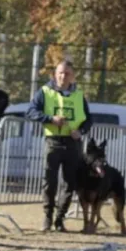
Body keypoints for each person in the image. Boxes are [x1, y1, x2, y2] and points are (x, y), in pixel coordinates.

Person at [26, 60, 93, 232]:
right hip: (53, 141)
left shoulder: (79, 95)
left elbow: (88, 119)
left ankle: (60, 219)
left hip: (73, 144)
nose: (64, 76)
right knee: (50, 181)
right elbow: (31, 111)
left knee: (70, 183)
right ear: (55, 74)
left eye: (67, 73)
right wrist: (50, 119)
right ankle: (47, 217)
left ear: (73, 76)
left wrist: (81, 131)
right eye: (61, 72)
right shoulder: (45, 91)